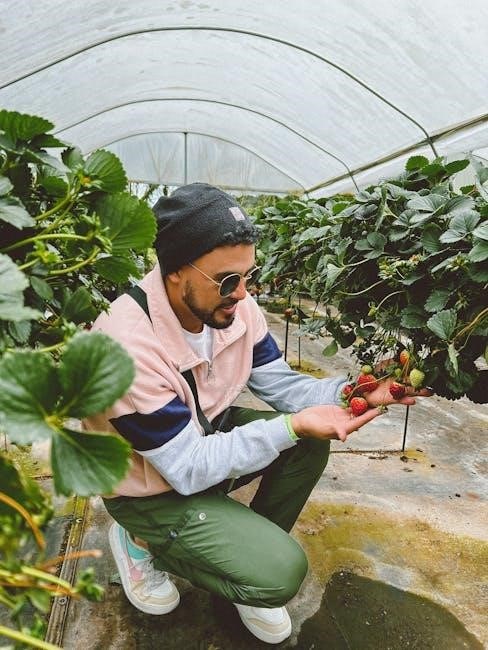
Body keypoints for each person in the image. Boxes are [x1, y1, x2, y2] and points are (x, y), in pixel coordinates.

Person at [83, 183, 429, 645]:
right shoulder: (123, 347)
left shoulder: (237, 310)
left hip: (201, 435)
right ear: (174, 271)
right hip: (147, 484)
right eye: (228, 280)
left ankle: (241, 564)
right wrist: (291, 426)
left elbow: (283, 386)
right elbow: (186, 468)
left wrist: (355, 390)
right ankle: (140, 542)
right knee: (280, 575)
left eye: (249, 275)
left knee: (307, 444)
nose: (243, 294)